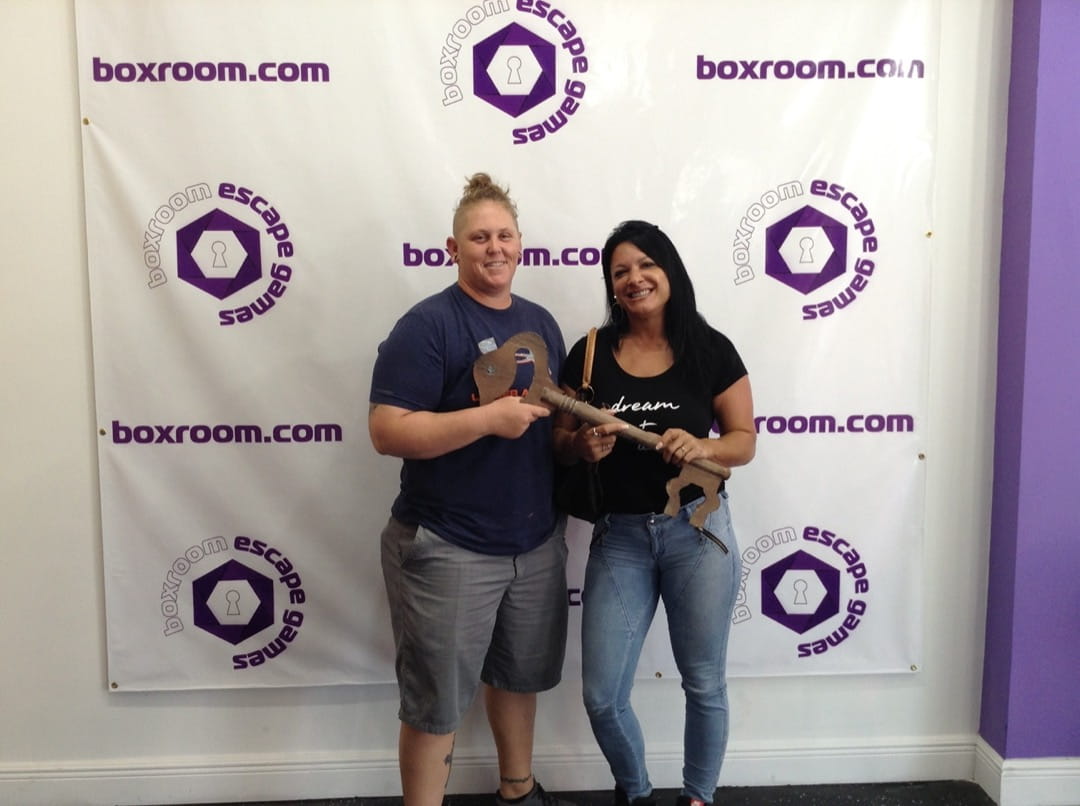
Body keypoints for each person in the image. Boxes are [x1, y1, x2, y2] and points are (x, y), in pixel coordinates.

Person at [369, 173, 575, 806]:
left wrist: (580, 443)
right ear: (452, 248)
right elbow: (387, 430)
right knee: (435, 706)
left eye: (504, 235)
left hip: (534, 543)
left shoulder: (540, 323)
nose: (495, 247)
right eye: (479, 237)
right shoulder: (427, 325)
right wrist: (487, 419)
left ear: (521, 244)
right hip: (447, 544)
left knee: (517, 678)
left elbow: (551, 431)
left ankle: (518, 790)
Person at [554, 220, 756, 806]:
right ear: (611, 286)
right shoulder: (590, 352)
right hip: (619, 538)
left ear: (669, 271)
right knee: (602, 696)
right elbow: (558, 441)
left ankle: (698, 797)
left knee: (704, 682)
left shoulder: (710, 349)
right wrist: (580, 446)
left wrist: (703, 446)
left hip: (697, 533)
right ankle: (637, 793)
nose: (634, 278)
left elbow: (743, 441)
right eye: (620, 271)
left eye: (646, 264)